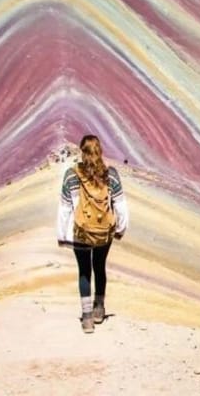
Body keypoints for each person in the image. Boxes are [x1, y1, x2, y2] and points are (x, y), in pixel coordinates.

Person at [57, 134, 129, 333]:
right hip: (104, 233)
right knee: (99, 266)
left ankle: (87, 318)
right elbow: (121, 205)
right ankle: (99, 309)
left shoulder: (71, 175)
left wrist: (62, 235)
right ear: (100, 151)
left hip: (79, 232)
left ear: (82, 152)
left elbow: (64, 208)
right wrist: (121, 229)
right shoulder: (111, 174)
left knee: (84, 271)